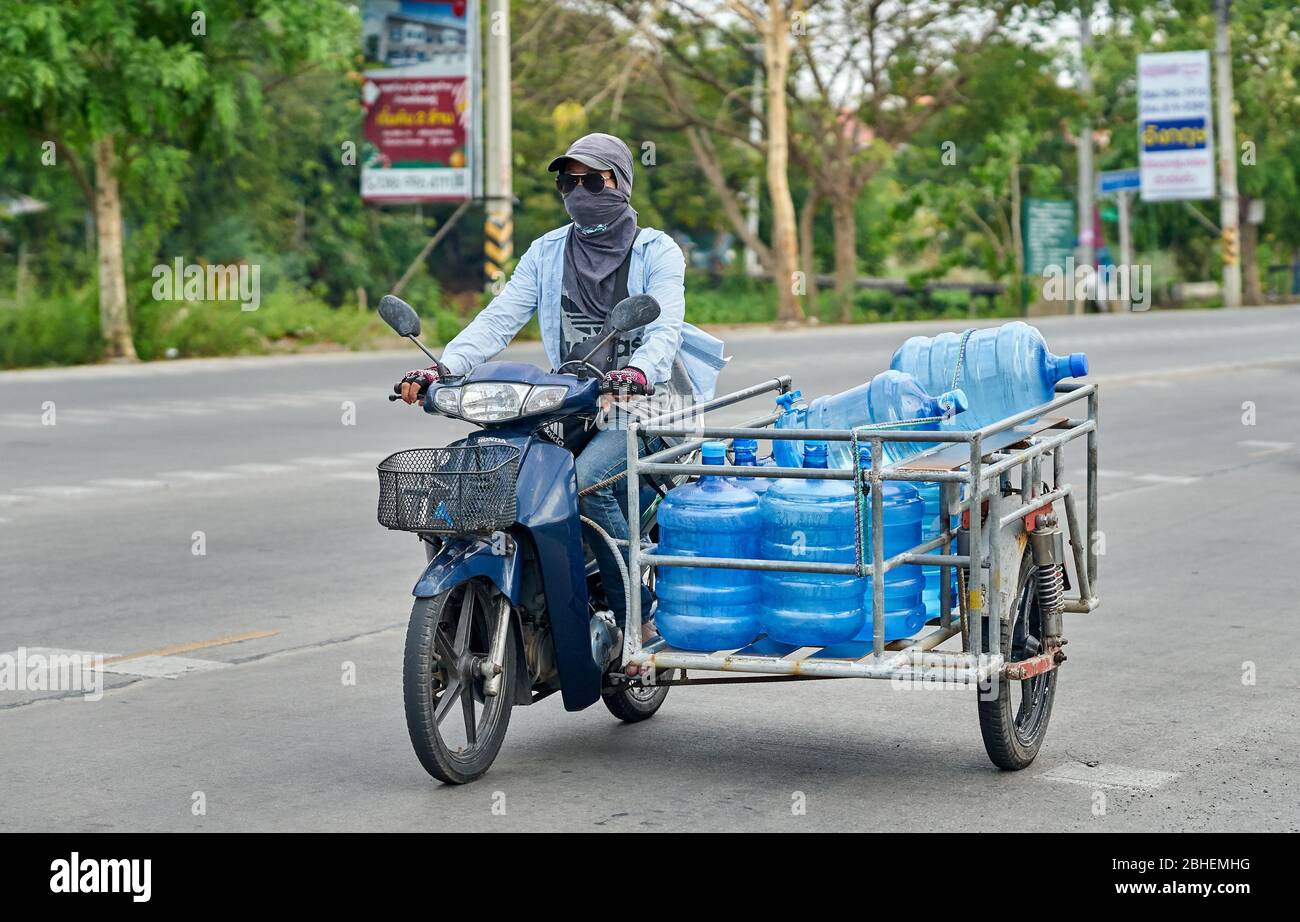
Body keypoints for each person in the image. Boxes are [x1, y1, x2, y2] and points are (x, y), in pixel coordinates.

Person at [394, 132, 727, 642]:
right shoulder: (548, 251)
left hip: (650, 405)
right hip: (574, 402)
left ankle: (638, 614)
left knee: (584, 481)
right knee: (494, 465)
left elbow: (663, 328)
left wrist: (637, 373)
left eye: (592, 180)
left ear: (621, 183)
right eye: (567, 182)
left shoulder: (657, 251)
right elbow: (498, 319)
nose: (578, 191)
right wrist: (442, 369)